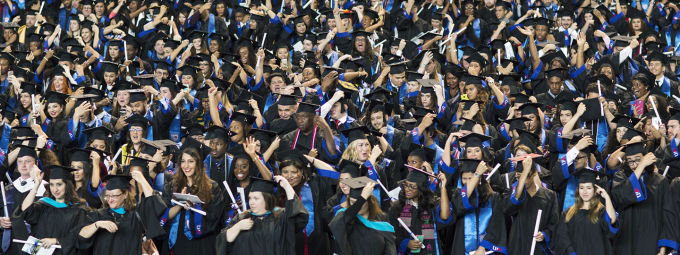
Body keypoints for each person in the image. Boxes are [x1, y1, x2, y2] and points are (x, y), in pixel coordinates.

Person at [610, 141, 680, 255]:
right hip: (626, 241)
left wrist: (662, 250)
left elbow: (667, 216)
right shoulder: (620, 178)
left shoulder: (660, 181)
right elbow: (620, 198)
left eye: (638, 159)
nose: (634, 164)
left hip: (650, 242)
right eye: (630, 161)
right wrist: (641, 165)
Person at [76, 174, 167, 255]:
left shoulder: (137, 213)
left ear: (126, 194)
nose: (110, 199)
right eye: (107, 195)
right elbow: (81, 236)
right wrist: (97, 224)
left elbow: (153, 203)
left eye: (114, 196)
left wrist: (142, 180)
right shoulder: (98, 215)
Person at [217, 177, 309, 255]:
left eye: (256, 198)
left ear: (267, 199)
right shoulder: (242, 218)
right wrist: (238, 227)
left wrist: (286, 185)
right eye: (250, 198)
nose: (251, 202)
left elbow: (300, 217)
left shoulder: (282, 217)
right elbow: (223, 241)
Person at [159, 147, 226, 255]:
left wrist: (195, 207)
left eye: (191, 161)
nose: (186, 166)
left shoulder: (212, 187)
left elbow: (214, 218)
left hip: (201, 243)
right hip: (176, 241)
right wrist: (181, 203)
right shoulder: (172, 186)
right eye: (183, 161)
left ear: (198, 164)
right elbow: (164, 214)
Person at [16, 165, 88, 255]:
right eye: (51, 184)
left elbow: (80, 236)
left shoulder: (78, 209)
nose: (55, 189)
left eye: (59, 184)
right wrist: (37, 184)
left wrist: (56, 241)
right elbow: (25, 210)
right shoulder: (44, 204)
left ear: (68, 185)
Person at [553, 170, 620, 255]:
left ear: (595, 190)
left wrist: (607, 197)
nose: (585, 192)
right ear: (578, 190)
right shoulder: (568, 213)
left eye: (589, 188)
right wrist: (571, 253)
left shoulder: (601, 211)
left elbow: (612, 220)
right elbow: (562, 236)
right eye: (581, 188)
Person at [388, 167, 452, 255]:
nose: (407, 189)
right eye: (406, 185)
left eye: (412, 187)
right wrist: (406, 243)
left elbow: (445, 216)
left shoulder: (432, 204)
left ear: (421, 189)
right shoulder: (397, 206)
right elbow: (390, 234)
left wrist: (443, 188)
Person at [329, 177, 396, 255]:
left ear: (369, 201)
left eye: (362, 202)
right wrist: (362, 198)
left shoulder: (382, 218)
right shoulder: (343, 218)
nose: (358, 206)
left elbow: (390, 248)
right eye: (353, 202)